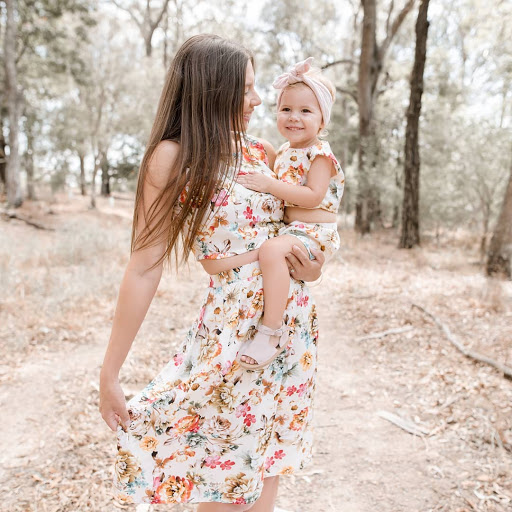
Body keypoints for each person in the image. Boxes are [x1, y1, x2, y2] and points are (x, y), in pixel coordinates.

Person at [99, 34, 325, 512]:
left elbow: (302, 228)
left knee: (265, 468)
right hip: (234, 328)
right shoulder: (173, 155)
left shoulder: (261, 152)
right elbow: (143, 265)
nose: (258, 100)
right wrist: (110, 372)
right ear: (211, 89)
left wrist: (311, 265)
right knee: (222, 480)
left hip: (289, 328)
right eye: (245, 89)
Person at [235, 58, 344, 370]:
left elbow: (313, 197)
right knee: (270, 250)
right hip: (294, 231)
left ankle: (271, 330)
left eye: (306, 111)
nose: (294, 118)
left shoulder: (320, 155)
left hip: (315, 233)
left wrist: (269, 185)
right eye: (286, 110)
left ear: (322, 121)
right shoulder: (281, 153)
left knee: (270, 250)